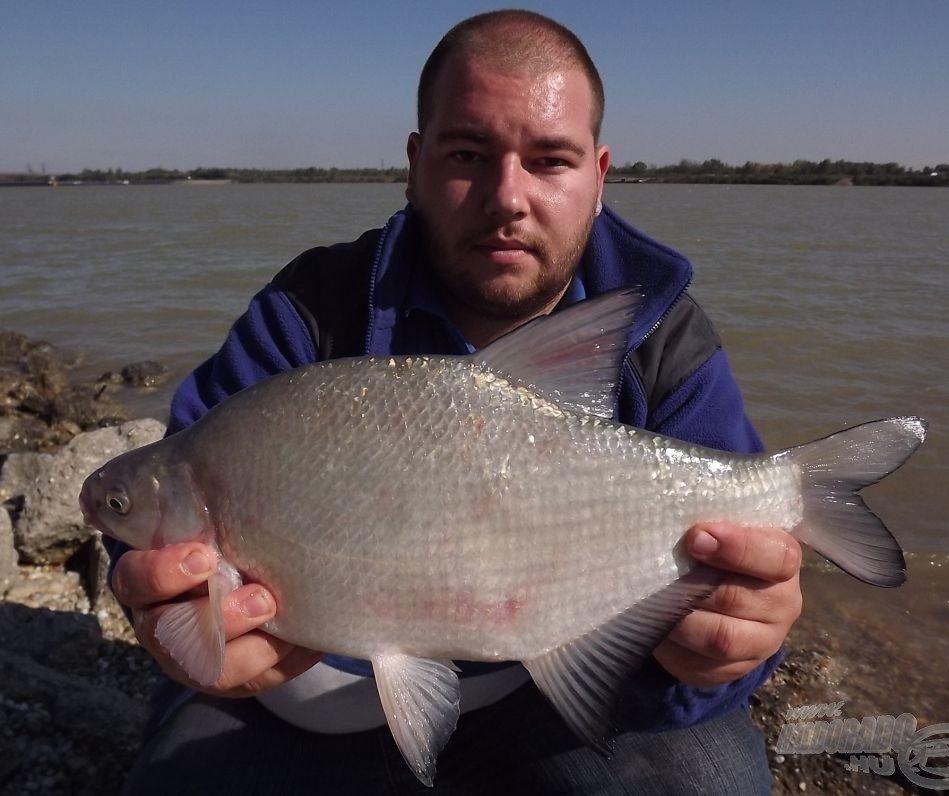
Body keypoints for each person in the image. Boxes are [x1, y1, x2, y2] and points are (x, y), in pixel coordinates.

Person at [109, 10, 802, 794]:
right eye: (469, 154)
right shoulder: (310, 308)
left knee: (706, 776)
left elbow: (740, 610)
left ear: (599, 176)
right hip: (302, 692)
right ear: (415, 163)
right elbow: (158, 510)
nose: (507, 197)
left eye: (550, 160)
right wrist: (166, 605)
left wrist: (732, 647)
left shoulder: (662, 339)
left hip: (547, 693)